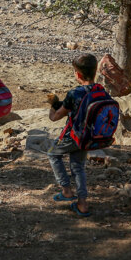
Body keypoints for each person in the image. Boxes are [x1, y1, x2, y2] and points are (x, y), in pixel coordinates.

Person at [46, 53, 97, 217]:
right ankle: (83, 204)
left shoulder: (74, 93)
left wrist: (53, 105)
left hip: (73, 136)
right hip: (89, 136)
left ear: (78, 74)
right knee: (78, 166)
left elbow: (55, 117)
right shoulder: (100, 90)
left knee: (53, 154)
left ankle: (66, 190)